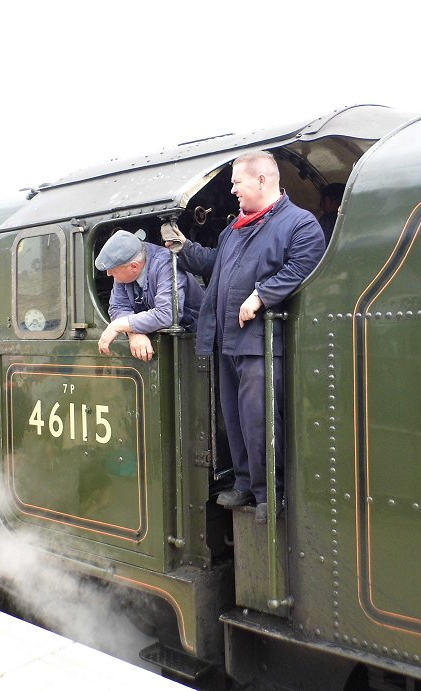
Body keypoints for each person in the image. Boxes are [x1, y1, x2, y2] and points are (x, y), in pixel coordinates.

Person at [169, 151, 325, 523]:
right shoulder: (235, 228)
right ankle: (244, 482)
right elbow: (212, 263)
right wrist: (183, 248)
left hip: (263, 342)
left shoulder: (300, 224)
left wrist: (261, 294)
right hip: (227, 340)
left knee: (261, 419)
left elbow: (304, 264)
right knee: (234, 418)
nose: (233, 189)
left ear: (261, 180)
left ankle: (272, 492)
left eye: (237, 182)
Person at [96, 229, 203, 361]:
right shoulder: (125, 269)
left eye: (112, 271)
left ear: (134, 267)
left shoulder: (167, 264)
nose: (108, 274)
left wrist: (117, 326)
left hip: (194, 341)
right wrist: (133, 332)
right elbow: (117, 307)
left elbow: (167, 313)